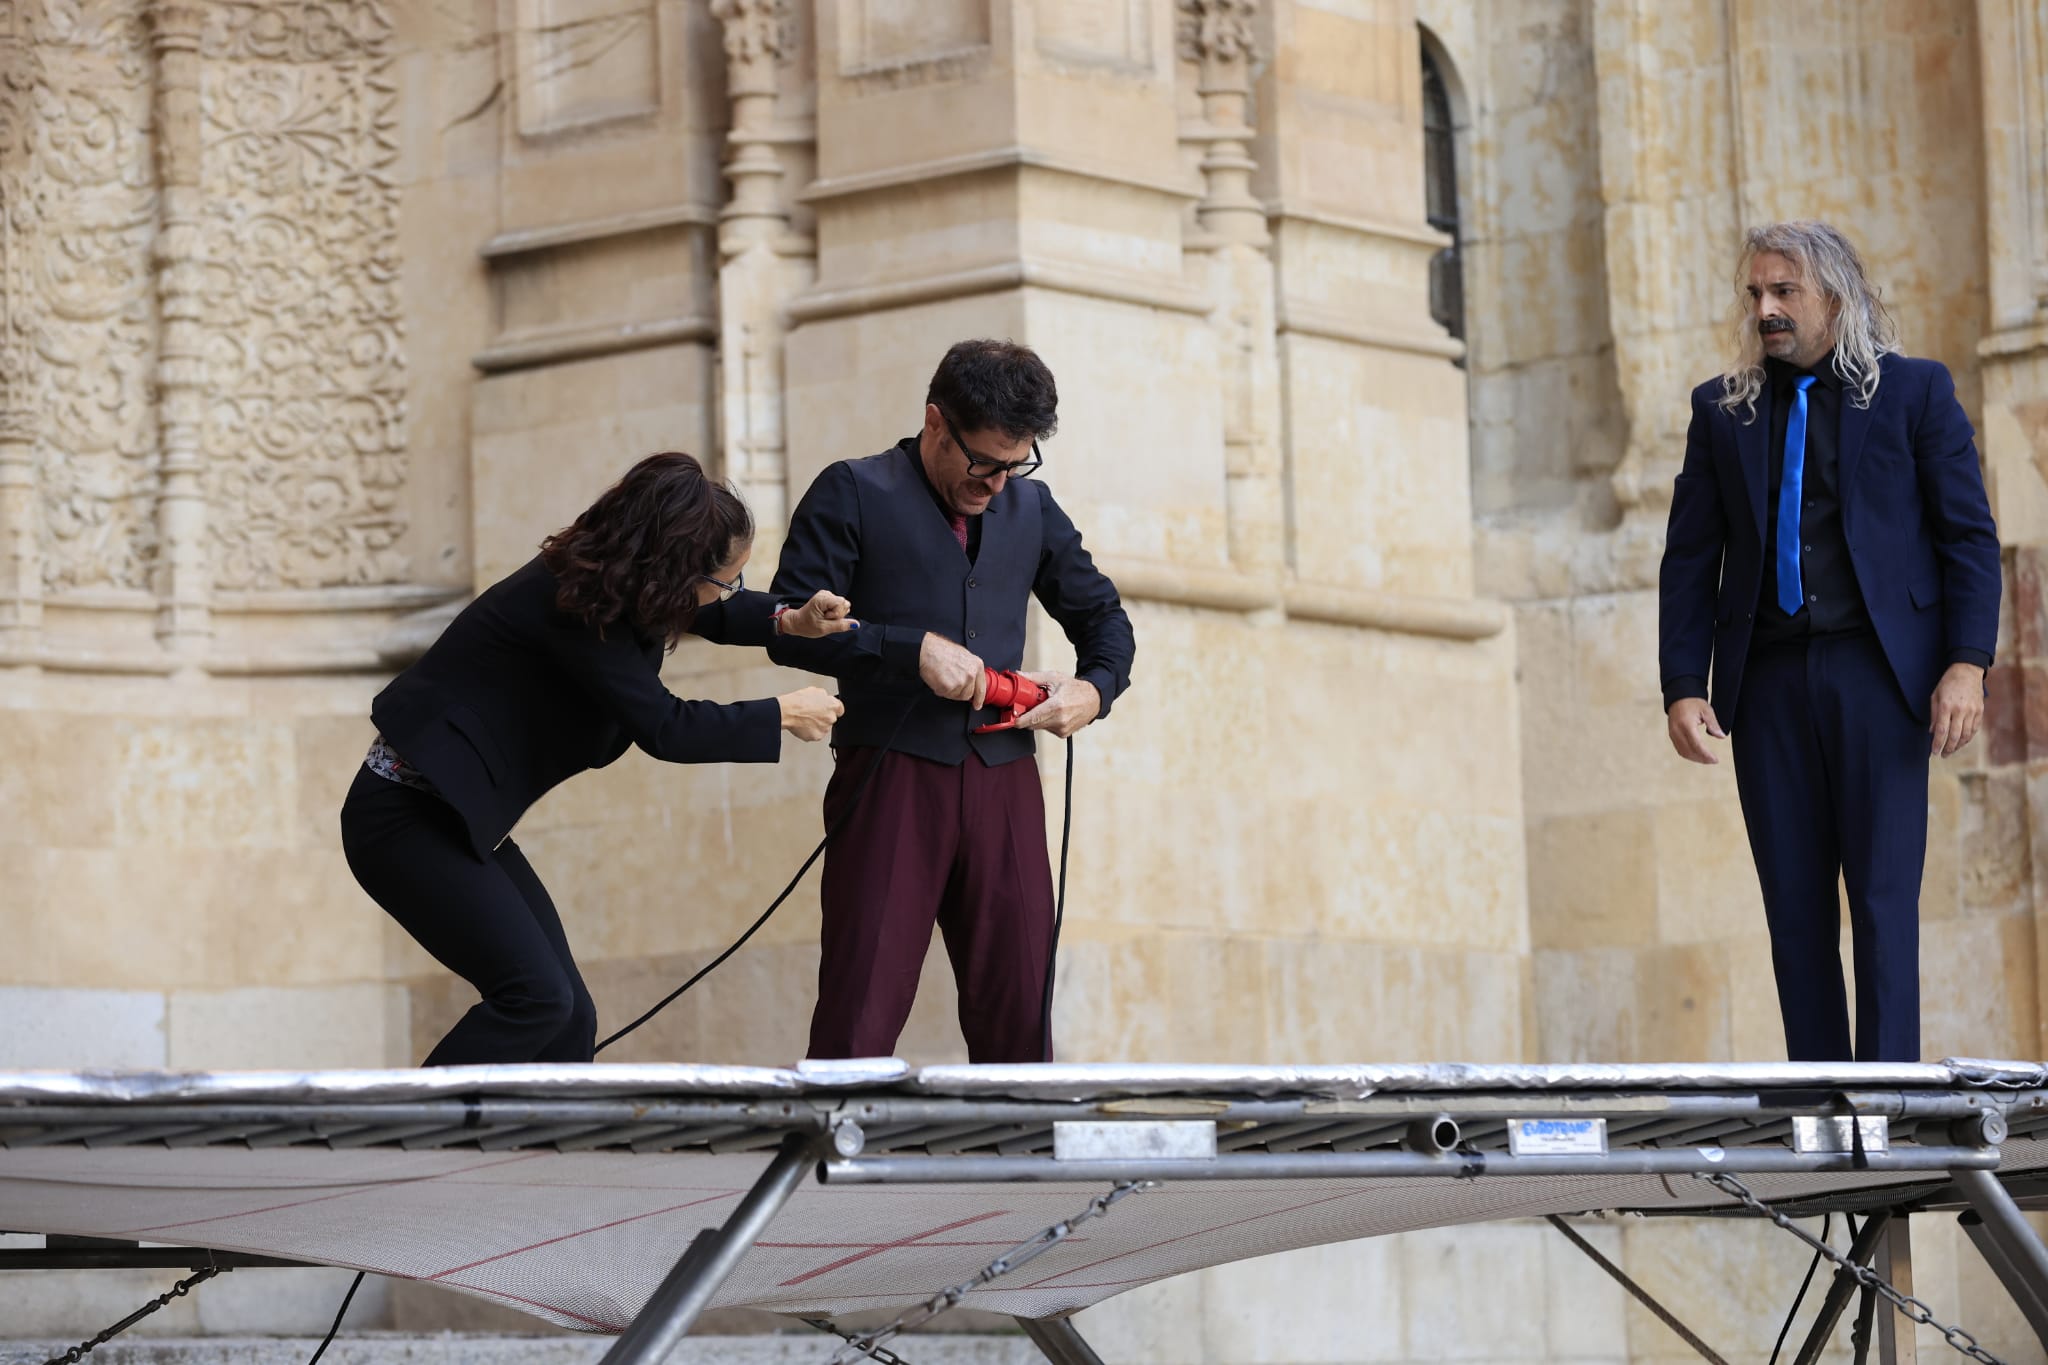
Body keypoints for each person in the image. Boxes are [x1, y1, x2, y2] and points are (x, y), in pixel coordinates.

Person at [340, 452, 850, 1067]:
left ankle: (549, 1154)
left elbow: (709, 608)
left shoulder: (612, 582)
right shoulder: (575, 608)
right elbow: (666, 727)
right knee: (535, 999)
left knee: (569, 1017)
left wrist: (788, 619)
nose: (728, 593)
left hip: (458, 816)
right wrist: (781, 714)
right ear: (672, 569)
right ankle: (401, 1134)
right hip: (405, 818)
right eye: (725, 580)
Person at [1658, 221, 2001, 1063]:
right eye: (1756, 295)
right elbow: (1690, 557)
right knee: (1795, 914)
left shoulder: (1917, 393)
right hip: (1767, 684)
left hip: (1880, 679)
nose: (1766, 310)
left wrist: (1966, 663)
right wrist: (1682, 682)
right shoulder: (1721, 410)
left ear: (1836, 298)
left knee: (1883, 904)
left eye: (1785, 292)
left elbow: (1969, 537)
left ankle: (1883, 1126)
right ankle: (1822, 1119)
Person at [768, 339, 1136, 1063]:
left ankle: (1024, 1166)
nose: (998, 482)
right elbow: (789, 628)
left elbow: (1105, 621)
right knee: (861, 1006)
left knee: (1020, 1009)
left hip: (1006, 781)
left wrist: (1094, 689)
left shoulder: (1033, 507)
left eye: (1015, 464)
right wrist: (909, 648)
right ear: (935, 423)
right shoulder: (851, 490)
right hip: (889, 778)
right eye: (984, 462)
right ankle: (828, 1166)